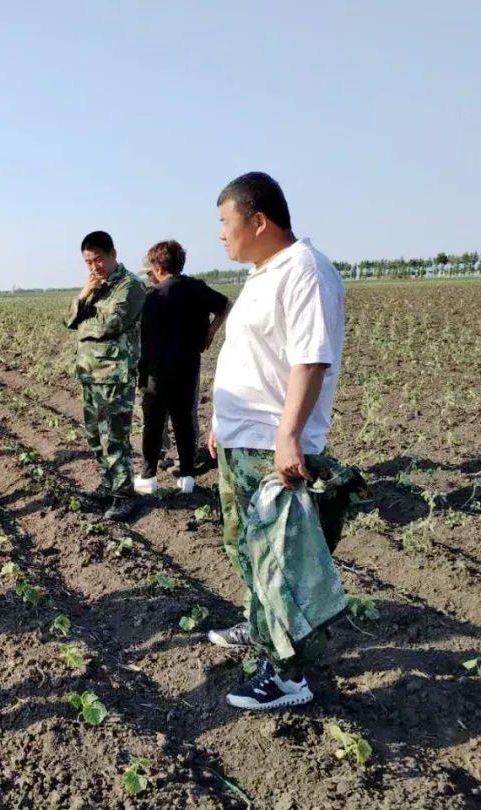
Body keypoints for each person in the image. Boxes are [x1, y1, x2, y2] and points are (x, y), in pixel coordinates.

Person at [206, 172, 350, 711]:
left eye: (226, 221)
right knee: (246, 549)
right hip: (243, 438)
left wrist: (289, 436)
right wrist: (221, 420)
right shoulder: (262, 274)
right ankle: (259, 628)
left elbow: (309, 359)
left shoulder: (306, 271)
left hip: (272, 444)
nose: (221, 233)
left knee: (279, 562)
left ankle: (288, 677)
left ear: (259, 221)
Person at [136, 240, 230, 495]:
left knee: (154, 423)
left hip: (158, 369)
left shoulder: (153, 296)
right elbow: (225, 305)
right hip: (189, 365)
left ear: (157, 266)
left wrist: (140, 374)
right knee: (185, 420)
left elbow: (143, 338)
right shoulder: (196, 287)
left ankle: (148, 477)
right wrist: (210, 332)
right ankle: (187, 477)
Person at [66, 231, 146, 521]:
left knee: (115, 438)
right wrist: (84, 295)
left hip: (114, 375)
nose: (93, 267)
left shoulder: (131, 286)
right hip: (89, 373)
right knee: (95, 437)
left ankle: (124, 495)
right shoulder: (96, 287)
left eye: (98, 259)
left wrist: (85, 324)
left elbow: (111, 324)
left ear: (113, 254)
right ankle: (107, 485)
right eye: (88, 262)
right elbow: (70, 320)